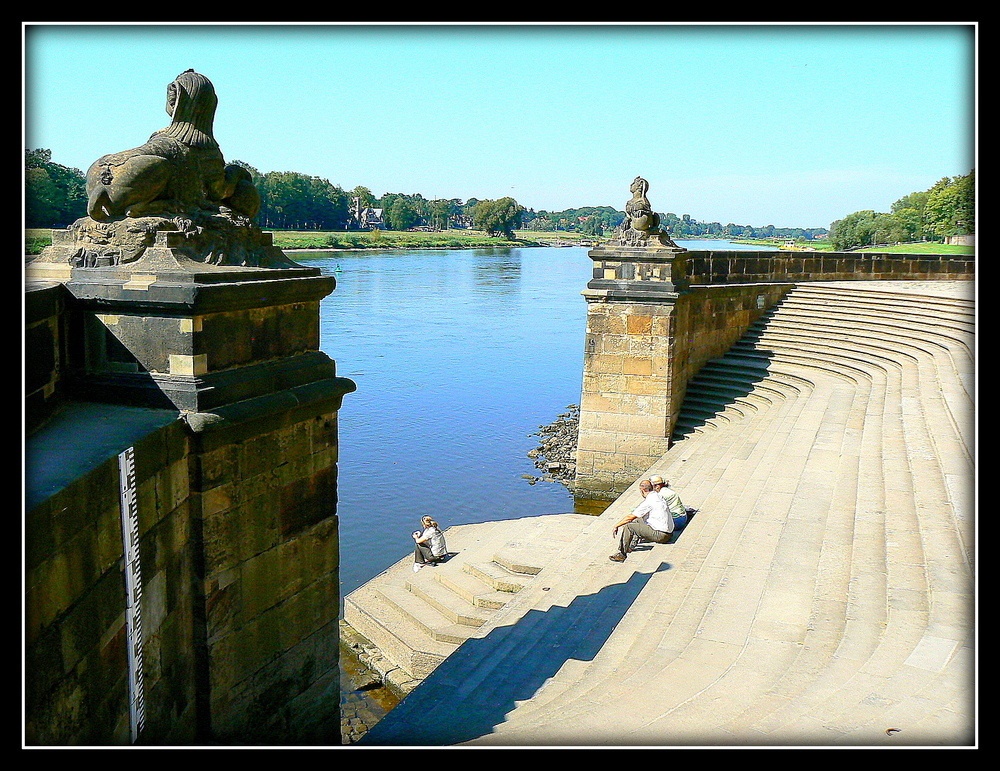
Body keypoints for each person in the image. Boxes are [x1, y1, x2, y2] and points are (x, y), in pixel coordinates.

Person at [609, 480, 673, 562]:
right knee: (637, 520)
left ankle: (622, 554)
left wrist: (616, 525)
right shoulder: (657, 496)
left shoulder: (649, 501)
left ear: (643, 490)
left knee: (629, 527)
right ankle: (631, 546)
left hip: (662, 535)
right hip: (668, 532)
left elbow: (630, 517)